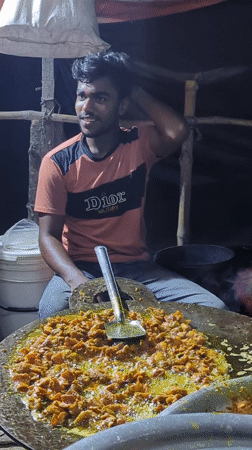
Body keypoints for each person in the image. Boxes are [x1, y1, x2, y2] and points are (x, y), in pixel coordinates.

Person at [34, 51, 228, 319]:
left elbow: (177, 131)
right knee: (51, 312)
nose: (86, 108)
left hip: (138, 269)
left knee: (215, 310)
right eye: (82, 96)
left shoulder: (138, 144)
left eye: (100, 98)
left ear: (122, 106)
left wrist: (131, 87)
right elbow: (47, 237)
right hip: (83, 267)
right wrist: (77, 280)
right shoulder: (58, 162)